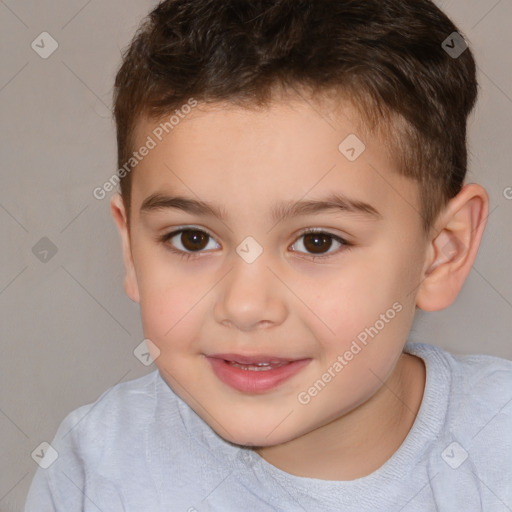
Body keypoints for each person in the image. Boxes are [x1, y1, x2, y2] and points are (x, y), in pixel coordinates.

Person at [25, 0, 512, 510]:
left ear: (441, 253)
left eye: (317, 241)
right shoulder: (96, 469)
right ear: (130, 250)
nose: (245, 305)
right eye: (192, 239)